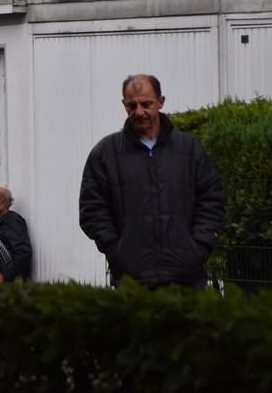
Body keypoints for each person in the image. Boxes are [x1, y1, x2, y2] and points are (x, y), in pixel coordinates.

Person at [79, 74, 225, 289]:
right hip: (132, 280)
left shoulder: (189, 149)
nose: (139, 112)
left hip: (186, 279)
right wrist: (116, 251)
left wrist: (198, 247)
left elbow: (212, 200)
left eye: (146, 103)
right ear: (124, 105)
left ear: (161, 101)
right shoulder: (105, 153)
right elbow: (92, 209)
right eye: (132, 105)